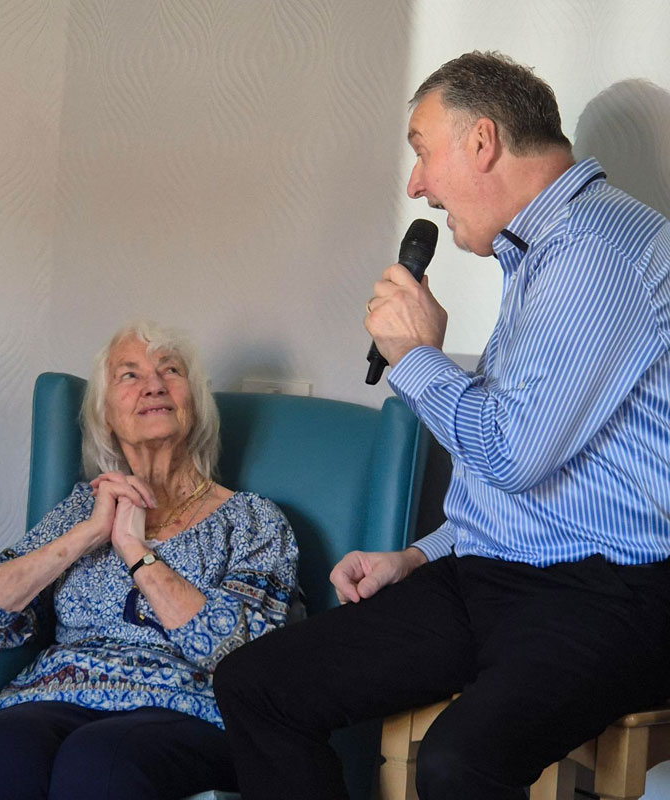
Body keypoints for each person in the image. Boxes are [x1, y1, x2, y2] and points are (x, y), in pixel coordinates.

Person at [213, 51, 670, 800]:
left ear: (482, 141)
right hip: (492, 576)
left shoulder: (596, 252)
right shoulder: (542, 256)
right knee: (259, 686)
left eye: (423, 152)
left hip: (607, 594)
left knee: (460, 763)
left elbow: (513, 455)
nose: (416, 184)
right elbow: (527, 479)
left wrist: (418, 358)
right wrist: (418, 556)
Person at [0, 319, 298, 800]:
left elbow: (248, 655)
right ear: (106, 415)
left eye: (170, 370)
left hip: (187, 710)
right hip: (53, 696)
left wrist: (135, 550)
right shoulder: (79, 510)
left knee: (98, 757)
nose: (154, 385)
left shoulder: (252, 520)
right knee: (0, 746)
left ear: (195, 404)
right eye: (130, 375)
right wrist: (89, 532)